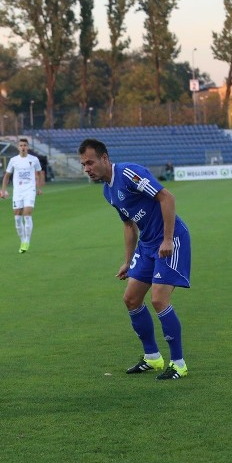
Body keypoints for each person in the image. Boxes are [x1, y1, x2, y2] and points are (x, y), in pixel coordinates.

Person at [78, 138, 192, 380]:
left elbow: (167, 198)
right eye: (83, 164)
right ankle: (152, 358)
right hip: (148, 244)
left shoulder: (129, 173)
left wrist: (168, 239)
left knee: (159, 300)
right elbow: (129, 226)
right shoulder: (108, 191)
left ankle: (179, 363)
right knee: (131, 299)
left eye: (90, 162)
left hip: (170, 240)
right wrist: (128, 261)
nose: (86, 168)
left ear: (104, 158)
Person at [0, 138, 43, 253]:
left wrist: (39, 188)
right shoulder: (13, 160)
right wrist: (3, 191)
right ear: (18, 147)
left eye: (25, 145)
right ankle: (22, 240)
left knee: (27, 213)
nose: (23, 147)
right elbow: (7, 176)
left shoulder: (34, 159)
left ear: (27, 147)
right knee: (17, 216)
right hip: (18, 191)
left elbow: (39, 173)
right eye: (21, 145)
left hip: (30, 190)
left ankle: (27, 241)